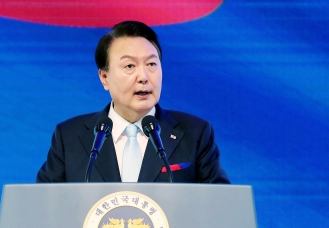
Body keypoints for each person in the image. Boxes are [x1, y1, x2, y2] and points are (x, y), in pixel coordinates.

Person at [36, 20, 229, 183]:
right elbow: (43, 207)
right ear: (104, 77)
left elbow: (221, 206)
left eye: (151, 64)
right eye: (129, 66)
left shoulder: (194, 133)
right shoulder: (70, 137)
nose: (143, 76)